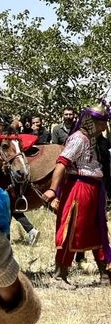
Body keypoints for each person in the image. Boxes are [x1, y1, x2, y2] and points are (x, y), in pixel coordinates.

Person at [42, 103, 111, 288]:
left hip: (93, 189)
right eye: (102, 123)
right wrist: (52, 190)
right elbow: (62, 164)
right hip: (79, 189)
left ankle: (105, 275)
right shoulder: (79, 139)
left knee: (98, 229)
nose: (105, 127)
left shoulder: (92, 139)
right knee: (72, 230)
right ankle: (59, 276)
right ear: (92, 122)